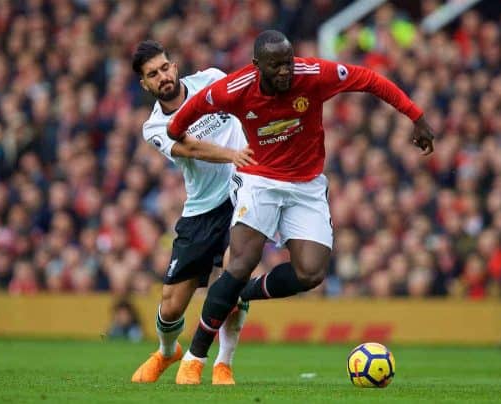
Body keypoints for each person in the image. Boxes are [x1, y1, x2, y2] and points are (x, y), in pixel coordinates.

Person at [166, 30, 436, 384]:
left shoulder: (313, 75)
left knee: (311, 273)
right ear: (257, 65)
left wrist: (416, 117)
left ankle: (241, 293)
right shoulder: (233, 89)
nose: (284, 72)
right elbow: (177, 125)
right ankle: (194, 358)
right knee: (241, 262)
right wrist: (185, 138)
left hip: (307, 185)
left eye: (288, 63)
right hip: (260, 180)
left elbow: (369, 80)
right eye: (275, 66)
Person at [129, 40, 257, 385]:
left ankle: (223, 364)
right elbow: (189, 147)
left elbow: (247, 101)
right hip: (202, 210)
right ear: (146, 84)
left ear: (174, 65)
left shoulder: (212, 79)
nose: (163, 77)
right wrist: (233, 154)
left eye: (164, 67)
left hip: (244, 194)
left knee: (232, 280)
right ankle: (167, 350)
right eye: (152, 74)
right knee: (171, 306)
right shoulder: (154, 126)